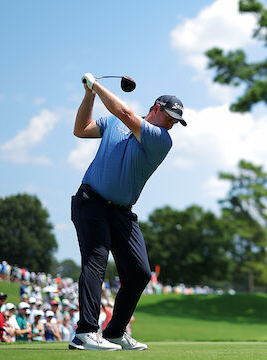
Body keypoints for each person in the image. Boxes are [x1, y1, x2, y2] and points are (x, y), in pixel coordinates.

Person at [68, 73, 186, 352]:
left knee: (140, 272)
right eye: (169, 117)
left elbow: (122, 110)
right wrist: (89, 96)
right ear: (156, 108)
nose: (172, 124)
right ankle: (85, 333)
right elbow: (81, 129)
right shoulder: (114, 124)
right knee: (95, 261)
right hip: (92, 202)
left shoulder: (161, 139)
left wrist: (95, 84)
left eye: (176, 122)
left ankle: (115, 333)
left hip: (122, 212)